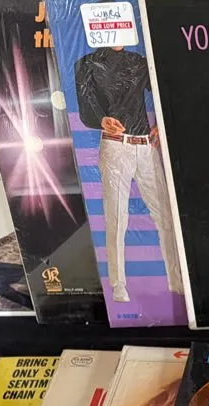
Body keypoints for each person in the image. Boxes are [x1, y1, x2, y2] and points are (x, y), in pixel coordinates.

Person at [75, 43, 184, 302]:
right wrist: (101, 119)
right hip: (115, 146)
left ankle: (176, 279)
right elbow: (85, 104)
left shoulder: (138, 62)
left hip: (145, 145)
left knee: (166, 215)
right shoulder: (86, 63)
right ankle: (118, 285)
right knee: (116, 218)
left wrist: (162, 123)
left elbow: (165, 88)